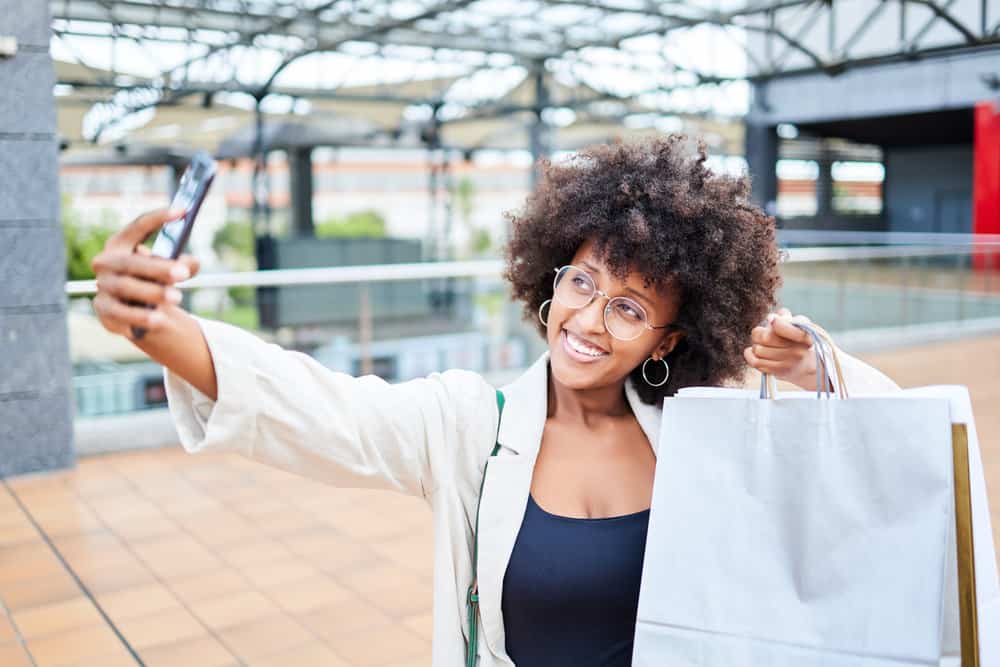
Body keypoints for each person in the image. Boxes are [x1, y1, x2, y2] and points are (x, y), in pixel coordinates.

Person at [91, 136, 898, 666]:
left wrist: (814, 369)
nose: (587, 319)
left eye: (628, 305)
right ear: (550, 276)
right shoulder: (470, 424)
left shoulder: (706, 430)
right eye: (581, 280)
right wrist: (157, 329)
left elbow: (879, 467)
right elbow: (320, 407)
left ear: (667, 340)